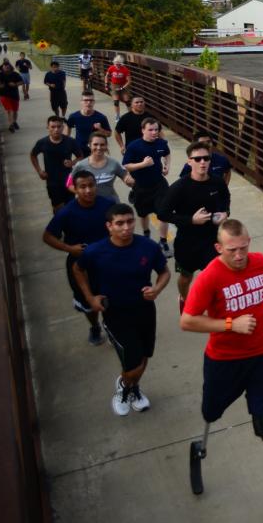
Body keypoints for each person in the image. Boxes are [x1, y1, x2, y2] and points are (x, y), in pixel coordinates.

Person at [179, 220, 263, 523]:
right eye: (232, 250)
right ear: (219, 248)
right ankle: (199, 447)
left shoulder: (260, 262)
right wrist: (231, 324)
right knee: (211, 412)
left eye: (244, 248)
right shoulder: (209, 277)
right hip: (224, 359)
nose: (239, 255)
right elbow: (187, 321)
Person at [73, 203, 170, 416]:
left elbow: (164, 272)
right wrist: (90, 297)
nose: (125, 227)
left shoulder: (148, 246)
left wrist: (156, 289)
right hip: (115, 314)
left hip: (145, 310)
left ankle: (133, 387)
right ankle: (124, 387)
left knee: (144, 356)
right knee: (133, 362)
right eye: (119, 223)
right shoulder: (96, 251)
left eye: (129, 221)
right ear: (109, 226)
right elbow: (77, 269)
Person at [42, 170, 116, 346]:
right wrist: (69, 248)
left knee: (112, 297)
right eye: (82, 187)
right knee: (88, 301)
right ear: (74, 189)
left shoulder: (107, 205)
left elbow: (118, 226)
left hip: (108, 260)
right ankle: (95, 326)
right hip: (81, 265)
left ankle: (113, 328)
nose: (88, 190)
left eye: (91, 185)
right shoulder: (66, 212)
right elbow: (48, 236)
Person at [158, 141, 231, 312]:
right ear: (189, 161)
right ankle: (184, 297)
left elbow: (226, 198)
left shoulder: (217, 182)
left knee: (215, 276)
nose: (202, 162)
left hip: (212, 240)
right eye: (197, 159)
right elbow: (163, 214)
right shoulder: (179, 187)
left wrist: (225, 212)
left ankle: (215, 307)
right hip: (187, 242)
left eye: (206, 158)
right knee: (185, 277)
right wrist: (191, 220)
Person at [122, 117, 172, 255]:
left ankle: (163, 241)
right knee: (143, 213)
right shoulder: (134, 146)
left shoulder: (161, 143)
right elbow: (126, 165)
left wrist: (167, 166)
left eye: (156, 129)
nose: (154, 132)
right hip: (141, 185)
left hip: (159, 184)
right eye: (150, 130)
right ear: (143, 130)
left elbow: (167, 154)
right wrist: (142, 164)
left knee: (163, 213)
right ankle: (146, 234)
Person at [30, 116, 84, 213]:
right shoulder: (42, 143)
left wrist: (72, 162)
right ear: (48, 127)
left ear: (63, 127)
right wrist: (39, 171)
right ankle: (59, 224)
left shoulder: (70, 142)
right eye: (53, 127)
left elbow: (80, 156)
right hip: (52, 181)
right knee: (57, 207)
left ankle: (70, 226)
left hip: (68, 179)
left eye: (59, 127)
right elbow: (33, 155)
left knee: (71, 205)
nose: (56, 129)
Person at [70, 134, 134, 202]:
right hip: (88, 204)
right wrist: (82, 193)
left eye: (102, 144)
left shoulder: (114, 163)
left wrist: (129, 180)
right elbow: (68, 183)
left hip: (110, 204)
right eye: (95, 144)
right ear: (89, 145)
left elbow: (125, 176)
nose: (99, 147)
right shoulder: (80, 165)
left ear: (106, 146)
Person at [0, 59, 22, 132]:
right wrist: (0, 85)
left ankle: (14, 122)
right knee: (10, 110)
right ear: (2, 67)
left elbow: (21, 81)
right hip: (4, 95)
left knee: (15, 111)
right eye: (5, 66)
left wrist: (15, 84)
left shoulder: (15, 74)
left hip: (14, 95)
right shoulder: (0, 75)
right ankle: (11, 125)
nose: (6, 67)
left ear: (10, 67)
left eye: (8, 66)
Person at [105, 53, 132, 118]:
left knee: (127, 101)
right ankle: (117, 115)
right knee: (116, 102)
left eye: (119, 64)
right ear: (114, 63)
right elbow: (106, 76)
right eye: (116, 63)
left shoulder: (125, 69)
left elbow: (129, 81)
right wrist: (106, 84)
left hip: (124, 85)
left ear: (121, 63)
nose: (117, 65)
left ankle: (131, 115)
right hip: (114, 85)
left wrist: (122, 88)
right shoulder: (111, 68)